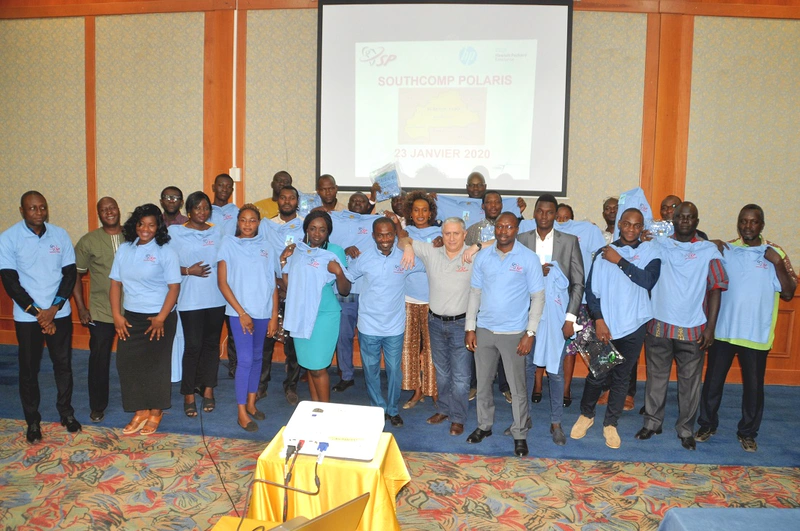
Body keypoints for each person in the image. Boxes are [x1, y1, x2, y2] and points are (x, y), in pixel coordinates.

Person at [696, 205, 796, 452]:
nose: (747, 226)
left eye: (753, 222)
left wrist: (778, 264)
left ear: (762, 225)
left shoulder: (774, 253)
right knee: (712, 382)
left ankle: (748, 432)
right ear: (738, 223)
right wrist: (713, 245)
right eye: (743, 221)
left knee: (753, 387)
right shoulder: (727, 249)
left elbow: (788, 293)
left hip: (756, 334)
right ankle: (707, 424)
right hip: (724, 331)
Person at [636, 202, 727, 450]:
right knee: (656, 379)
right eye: (680, 217)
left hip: (694, 329)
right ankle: (652, 423)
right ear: (672, 220)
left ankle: (685, 428)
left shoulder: (709, 250)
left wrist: (710, 328)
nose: (685, 220)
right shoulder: (658, 245)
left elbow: (717, 288)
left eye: (690, 217)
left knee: (690, 384)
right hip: (659, 326)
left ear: (697, 221)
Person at [570, 208, 661, 449]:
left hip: (635, 325)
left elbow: (648, 280)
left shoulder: (650, 251)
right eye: (627, 224)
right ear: (619, 224)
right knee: (597, 374)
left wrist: (620, 261)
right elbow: (591, 291)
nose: (631, 229)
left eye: (637, 225)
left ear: (642, 228)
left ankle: (611, 423)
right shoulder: (603, 254)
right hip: (605, 326)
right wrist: (598, 320)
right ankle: (586, 415)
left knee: (622, 378)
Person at [0, 191, 79, 443]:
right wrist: (38, 314)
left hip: (60, 313)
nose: (38, 212)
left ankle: (66, 413)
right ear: (22, 211)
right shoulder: (9, 238)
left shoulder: (60, 234)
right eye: (32, 208)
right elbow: (10, 282)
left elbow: (69, 274)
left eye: (42, 207)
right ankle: (32, 421)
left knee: (63, 365)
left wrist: (53, 310)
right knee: (28, 370)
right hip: (27, 318)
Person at [465, 212, 545, 456]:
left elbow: (537, 297)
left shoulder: (529, 258)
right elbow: (475, 293)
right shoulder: (483, 257)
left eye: (509, 227)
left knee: (517, 387)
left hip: (514, 334)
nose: (503, 231)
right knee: (483, 383)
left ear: (516, 229)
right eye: (499, 227)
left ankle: (520, 432)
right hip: (485, 330)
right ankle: (484, 426)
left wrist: (530, 333)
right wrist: (470, 327)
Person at [398, 217, 474, 436]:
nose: (451, 238)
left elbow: (497, 242)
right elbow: (402, 238)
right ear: (442, 234)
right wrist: (409, 249)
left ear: (464, 234)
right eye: (447, 233)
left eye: (456, 233)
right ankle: (443, 409)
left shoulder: (472, 254)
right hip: (435, 322)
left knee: (460, 377)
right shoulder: (431, 251)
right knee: (441, 372)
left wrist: (477, 245)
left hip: (462, 324)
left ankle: (458, 418)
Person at [518, 194, 584, 446]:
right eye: (540, 211)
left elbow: (578, 282)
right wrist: (535, 271)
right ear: (534, 213)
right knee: (525, 368)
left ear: (555, 215)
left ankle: (556, 422)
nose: (544, 216)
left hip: (557, 317)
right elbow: (513, 277)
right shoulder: (522, 240)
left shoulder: (568, 242)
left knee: (555, 373)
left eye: (549, 212)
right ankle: (523, 418)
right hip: (526, 315)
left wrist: (570, 317)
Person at [110, 203, 180, 436]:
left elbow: (173, 288)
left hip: (158, 318)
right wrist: (117, 316)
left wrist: (160, 318)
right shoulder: (125, 249)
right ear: (135, 225)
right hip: (130, 317)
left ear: (158, 227)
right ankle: (139, 410)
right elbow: (115, 284)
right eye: (141, 224)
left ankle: (156, 411)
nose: (145, 229)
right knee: (127, 363)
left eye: (151, 225)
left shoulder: (165, 251)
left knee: (156, 366)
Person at [217, 204, 279, 431]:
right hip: (238, 313)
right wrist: (242, 313)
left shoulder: (267, 246)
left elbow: (272, 282)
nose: (247, 225)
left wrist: (273, 315)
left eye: (252, 220)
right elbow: (222, 283)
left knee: (257, 358)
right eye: (243, 220)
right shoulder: (228, 244)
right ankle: (241, 411)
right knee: (243, 360)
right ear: (237, 222)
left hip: (263, 312)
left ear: (259, 223)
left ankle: (252, 404)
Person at [280, 210, 352, 404]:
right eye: (313, 229)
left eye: (322, 230)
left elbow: (345, 290)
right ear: (306, 230)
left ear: (328, 232)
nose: (317, 234)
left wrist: (338, 273)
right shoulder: (298, 251)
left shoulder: (335, 251)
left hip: (324, 315)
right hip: (300, 314)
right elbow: (289, 285)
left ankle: (325, 415)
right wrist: (283, 261)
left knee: (319, 367)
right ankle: (315, 411)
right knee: (309, 366)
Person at [347, 217, 413, 427]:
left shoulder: (405, 258)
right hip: (368, 326)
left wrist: (413, 246)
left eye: (389, 234)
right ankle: (378, 408)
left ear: (394, 234)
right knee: (371, 369)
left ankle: (393, 409)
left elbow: (428, 266)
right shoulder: (364, 259)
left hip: (394, 326)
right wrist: (348, 254)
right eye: (380, 235)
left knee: (394, 369)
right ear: (374, 235)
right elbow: (347, 276)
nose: (385, 239)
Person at [168, 191, 226, 417]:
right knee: (192, 347)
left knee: (211, 346)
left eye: (205, 208)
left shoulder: (217, 231)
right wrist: (187, 271)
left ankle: (209, 390)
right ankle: (189, 394)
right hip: (190, 300)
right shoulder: (175, 232)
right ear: (188, 211)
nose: (202, 212)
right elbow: (165, 263)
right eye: (197, 208)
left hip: (216, 298)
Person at [72, 196, 124, 423]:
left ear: (118, 210)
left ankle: (138, 403)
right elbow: (75, 274)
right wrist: (82, 308)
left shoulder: (133, 236)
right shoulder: (88, 241)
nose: (109, 212)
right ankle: (97, 406)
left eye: (112, 207)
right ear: (99, 214)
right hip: (100, 312)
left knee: (133, 360)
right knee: (99, 361)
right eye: (104, 209)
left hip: (131, 311)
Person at [553, 203, 607, 408]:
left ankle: (575, 389)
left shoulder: (587, 231)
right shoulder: (546, 231)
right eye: (558, 217)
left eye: (567, 218)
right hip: (555, 300)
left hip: (580, 301)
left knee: (586, 348)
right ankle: (543, 386)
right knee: (551, 345)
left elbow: (601, 255)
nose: (562, 221)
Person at [257, 186, 304, 405]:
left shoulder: (306, 224)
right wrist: (276, 281)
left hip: (296, 290)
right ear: (278, 201)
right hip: (270, 289)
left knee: (293, 344)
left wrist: (289, 283)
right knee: (266, 340)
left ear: (297, 201)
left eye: (291, 198)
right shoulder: (266, 225)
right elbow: (260, 255)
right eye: (283, 197)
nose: (287, 201)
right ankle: (261, 384)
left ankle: (291, 386)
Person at [328, 195, 380, 392]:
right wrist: (344, 249)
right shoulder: (334, 220)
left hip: (368, 290)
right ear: (347, 205)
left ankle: (371, 376)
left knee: (370, 337)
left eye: (362, 201)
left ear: (369, 206)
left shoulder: (375, 223)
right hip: (345, 290)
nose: (358, 203)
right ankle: (346, 375)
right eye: (354, 201)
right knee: (344, 335)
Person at [393, 191, 440, 410]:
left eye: (424, 210)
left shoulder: (440, 233)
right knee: (409, 348)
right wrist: (410, 246)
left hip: (434, 301)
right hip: (409, 299)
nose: (420, 214)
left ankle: (434, 390)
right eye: (416, 210)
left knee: (432, 349)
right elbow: (402, 242)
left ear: (431, 213)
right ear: (410, 213)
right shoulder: (405, 233)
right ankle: (416, 390)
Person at [464, 191, 512, 403]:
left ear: (502, 205)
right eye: (489, 202)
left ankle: (505, 385)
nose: (493, 205)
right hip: (479, 290)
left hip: (505, 293)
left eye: (497, 202)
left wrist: (481, 246)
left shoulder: (511, 226)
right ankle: (475, 384)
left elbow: (507, 242)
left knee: (505, 341)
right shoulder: (473, 230)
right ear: (482, 206)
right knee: (478, 340)